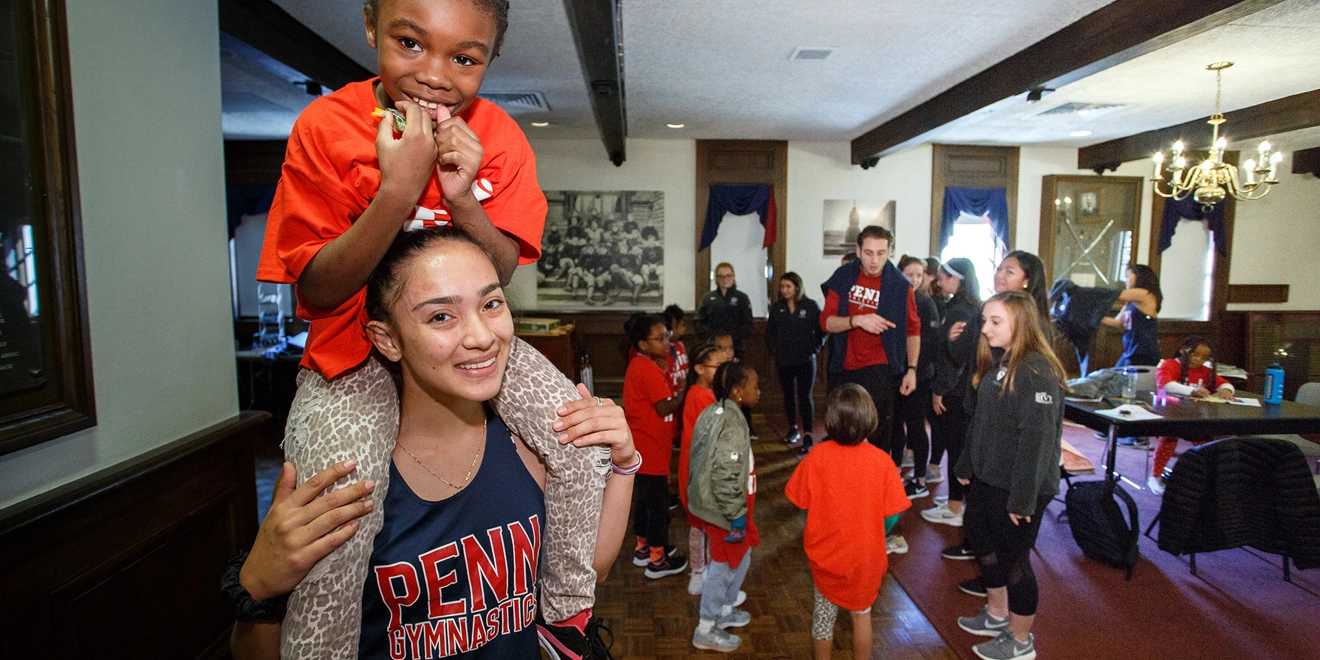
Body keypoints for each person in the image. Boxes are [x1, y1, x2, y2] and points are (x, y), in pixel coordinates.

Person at [252, 0, 609, 654]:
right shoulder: (328, 127)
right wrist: (397, 190)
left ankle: (563, 620)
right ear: (370, 27)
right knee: (338, 513)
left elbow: (500, 267)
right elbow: (319, 286)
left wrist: (463, 195)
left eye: (465, 58)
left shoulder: (497, 136)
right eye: (411, 44)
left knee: (582, 440)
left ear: (490, 59)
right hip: (351, 357)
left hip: (466, 340)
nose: (435, 74)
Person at [230, 227, 635, 659]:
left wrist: (624, 461)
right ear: (387, 339)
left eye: (491, 303)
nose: (481, 335)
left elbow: (591, 568)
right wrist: (258, 585)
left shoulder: (526, 446)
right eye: (441, 316)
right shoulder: (350, 480)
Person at [953, 291, 1066, 660]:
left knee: (1014, 562)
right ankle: (997, 614)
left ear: (1020, 325)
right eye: (985, 320)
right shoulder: (1001, 362)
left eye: (994, 322)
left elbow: (1036, 442)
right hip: (989, 478)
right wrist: (967, 465)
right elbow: (980, 421)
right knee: (979, 539)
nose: (984, 329)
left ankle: (1020, 643)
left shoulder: (1036, 371)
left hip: (1020, 486)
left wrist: (1022, 499)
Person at [785, 384, 911, 660]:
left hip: (826, 555)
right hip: (864, 558)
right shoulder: (882, 462)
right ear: (870, 419)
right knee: (861, 617)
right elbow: (891, 515)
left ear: (831, 420)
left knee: (823, 620)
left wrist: (822, 522)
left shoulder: (816, 457)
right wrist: (876, 531)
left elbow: (803, 504)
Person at [820, 225, 921, 457]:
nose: (874, 260)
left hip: (881, 370)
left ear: (890, 252)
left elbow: (913, 331)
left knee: (876, 437)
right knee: (840, 434)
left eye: (881, 253)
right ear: (858, 251)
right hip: (843, 366)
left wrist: (912, 369)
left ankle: (874, 487)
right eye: (868, 253)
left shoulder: (901, 286)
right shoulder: (843, 277)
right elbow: (826, 323)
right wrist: (857, 320)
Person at [686, 362, 761, 653]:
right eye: (754, 386)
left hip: (729, 506)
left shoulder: (718, 410)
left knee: (741, 557)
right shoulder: (731, 422)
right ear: (738, 391)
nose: (759, 391)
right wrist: (736, 516)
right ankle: (706, 627)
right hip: (726, 510)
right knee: (723, 566)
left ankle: (726, 609)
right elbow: (724, 473)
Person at [623, 313, 689, 579]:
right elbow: (663, 407)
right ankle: (657, 560)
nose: (666, 343)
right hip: (649, 447)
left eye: (667, 337)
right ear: (642, 344)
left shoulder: (644, 365)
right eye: (659, 338)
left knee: (644, 501)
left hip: (644, 445)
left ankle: (643, 547)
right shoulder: (646, 369)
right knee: (658, 506)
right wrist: (684, 392)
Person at [923, 258, 982, 528]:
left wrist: (939, 391)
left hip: (954, 391)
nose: (938, 281)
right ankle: (957, 499)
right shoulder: (964, 307)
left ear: (957, 280)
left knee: (956, 448)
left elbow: (953, 360)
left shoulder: (959, 311)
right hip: (960, 389)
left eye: (944, 277)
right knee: (957, 445)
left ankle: (955, 507)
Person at [1147, 337, 1234, 495]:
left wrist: (1226, 389)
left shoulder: (1206, 371)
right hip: (1169, 413)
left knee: (1205, 443)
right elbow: (1165, 385)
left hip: (1194, 416)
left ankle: (1208, 476)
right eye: (1195, 355)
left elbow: (1224, 383)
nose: (1199, 360)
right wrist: (1191, 391)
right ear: (1183, 351)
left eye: (1204, 357)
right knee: (1168, 439)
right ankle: (1156, 475)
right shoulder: (1170, 364)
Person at [679, 343, 730, 595]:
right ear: (699, 369)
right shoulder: (699, 396)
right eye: (718, 367)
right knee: (699, 526)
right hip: (699, 472)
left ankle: (709, 571)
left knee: (709, 526)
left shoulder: (708, 394)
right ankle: (698, 572)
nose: (723, 372)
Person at [895, 256, 940, 496]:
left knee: (916, 427)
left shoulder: (925, 303)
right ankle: (893, 471)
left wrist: (912, 371)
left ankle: (920, 479)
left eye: (919, 275)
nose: (914, 279)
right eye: (909, 274)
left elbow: (930, 346)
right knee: (894, 427)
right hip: (895, 374)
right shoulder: (893, 299)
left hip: (918, 377)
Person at [766, 272, 825, 452]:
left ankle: (807, 434)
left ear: (797, 288)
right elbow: (770, 333)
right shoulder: (777, 308)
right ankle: (793, 428)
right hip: (784, 360)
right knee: (789, 395)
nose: (784, 290)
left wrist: (815, 348)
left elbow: (822, 330)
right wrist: (775, 350)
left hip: (805, 360)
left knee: (805, 396)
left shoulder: (810, 305)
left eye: (788, 287)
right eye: (782, 287)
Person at [1102, 264, 1162, 368]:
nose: (1126, 280)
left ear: (1139, 276)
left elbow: (1114, 295)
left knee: (1127, 381)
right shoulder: (1131, 301)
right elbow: (1118, 323)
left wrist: (1089, 295)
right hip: (1131, 350)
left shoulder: (1145, 294)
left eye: (1128, 276)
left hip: (1144, 351)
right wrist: (1095, 317)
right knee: (1115, 377)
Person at [695, 263, 754, 360]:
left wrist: (730, 338)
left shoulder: (742, 298)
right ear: (716, 279)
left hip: (736, 347)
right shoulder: (708, 298)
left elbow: (747, 325)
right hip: (713, 347)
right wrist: (713, 338)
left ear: (733, 277)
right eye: (721, 276)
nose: (725, 279)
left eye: (728, 276)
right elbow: (699, 322)